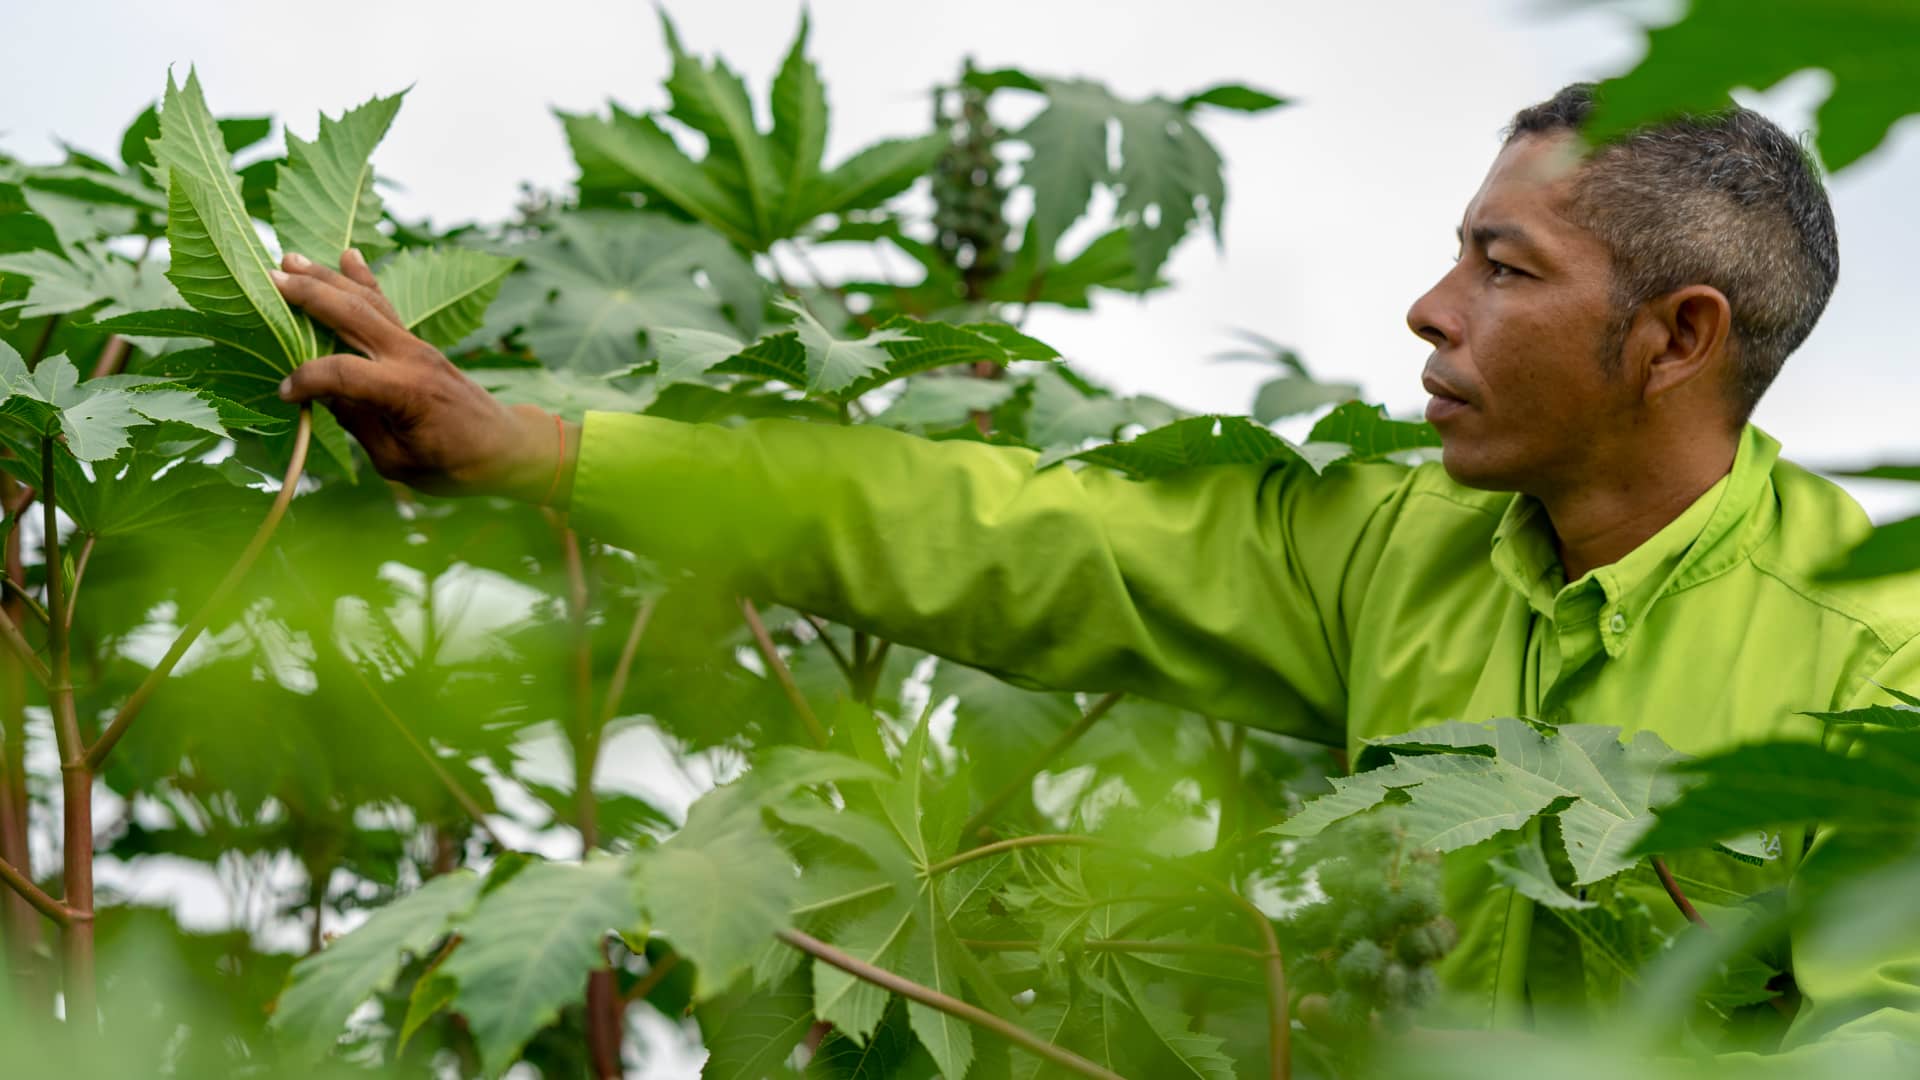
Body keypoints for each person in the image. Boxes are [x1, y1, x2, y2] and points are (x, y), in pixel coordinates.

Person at [268, 83, 1919, 1069]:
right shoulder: (1386, 547)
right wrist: (548, 451)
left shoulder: (1878, 666)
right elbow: (989, 528)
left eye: (1504, 268)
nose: (1431, 309)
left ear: (1676, 340)